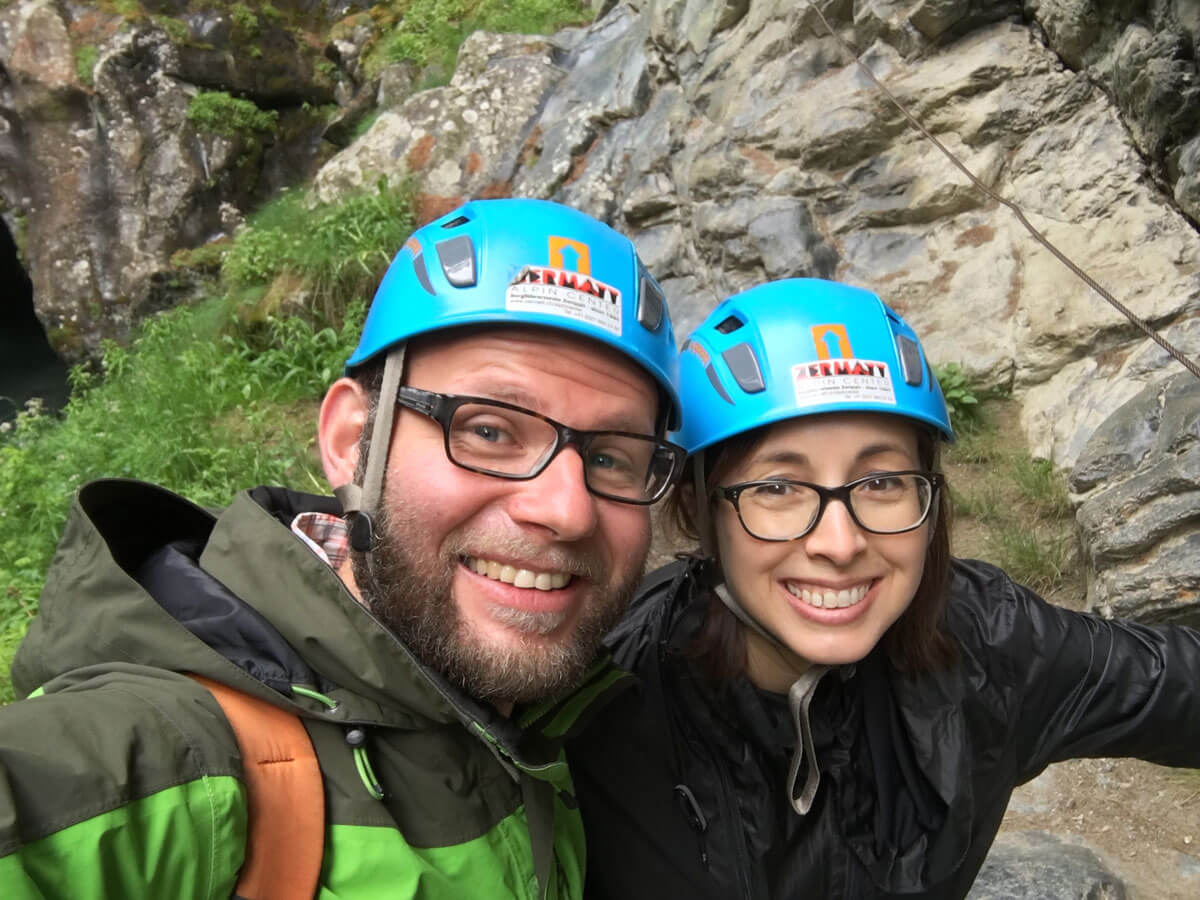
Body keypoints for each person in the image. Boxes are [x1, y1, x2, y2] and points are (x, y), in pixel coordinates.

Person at [0, 199, 687, 898]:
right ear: (351, 440)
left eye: (610, 459)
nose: (566, 510)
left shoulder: (565, 724)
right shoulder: (178, 763)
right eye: (488, 431)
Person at [568, 277, 1200, 899]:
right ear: (700, 511)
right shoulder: (604, 698)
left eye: (881, 483)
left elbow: (1174, 687)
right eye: (778, 488)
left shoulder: (989, 644)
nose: (839, 545)